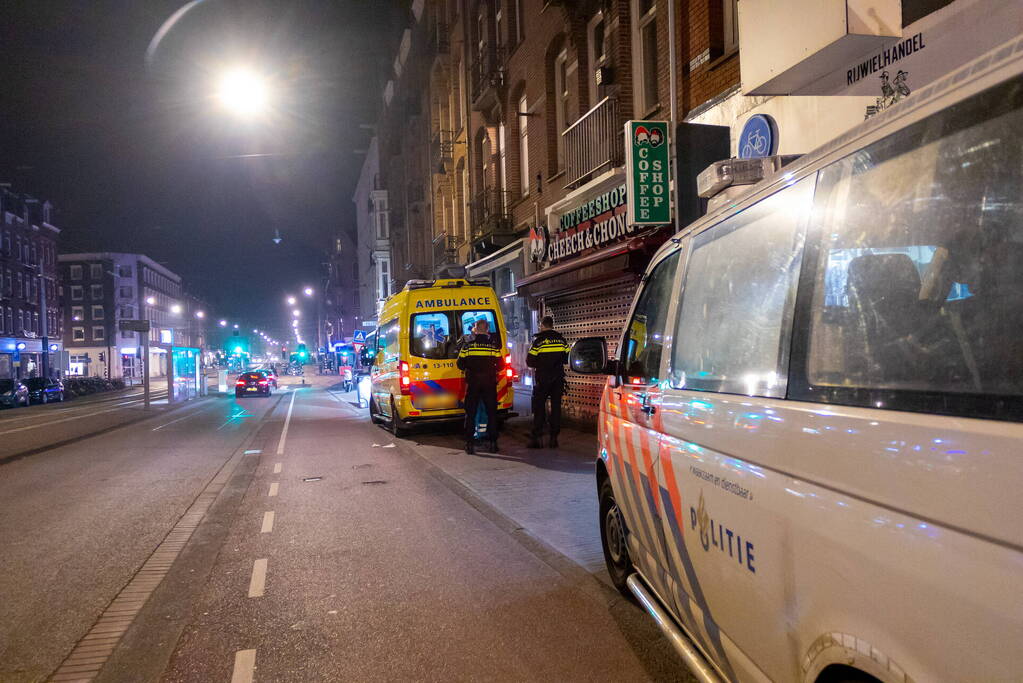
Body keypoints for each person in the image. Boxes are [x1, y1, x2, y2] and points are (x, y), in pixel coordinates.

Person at [456, 319, 502, 454]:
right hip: (489, 384)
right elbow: (501, 365)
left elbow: (460, 364)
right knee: (491, 413)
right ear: (487, 329)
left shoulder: (468, 346)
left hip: (473, 384)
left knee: (471, 413)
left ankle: (469, 444)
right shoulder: (493, 346)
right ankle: (493, 443)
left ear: (475, 329)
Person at [526, 315, 569, 448]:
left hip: (543, 379)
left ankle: (537, 438)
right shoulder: (562, 340)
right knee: (556, 407)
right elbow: (566, 358)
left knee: (539, 407)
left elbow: (530, 361)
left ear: (542, 325)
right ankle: (554, 438)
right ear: (552, 325)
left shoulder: (539, 341)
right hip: (557, 379)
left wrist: (542, 363)